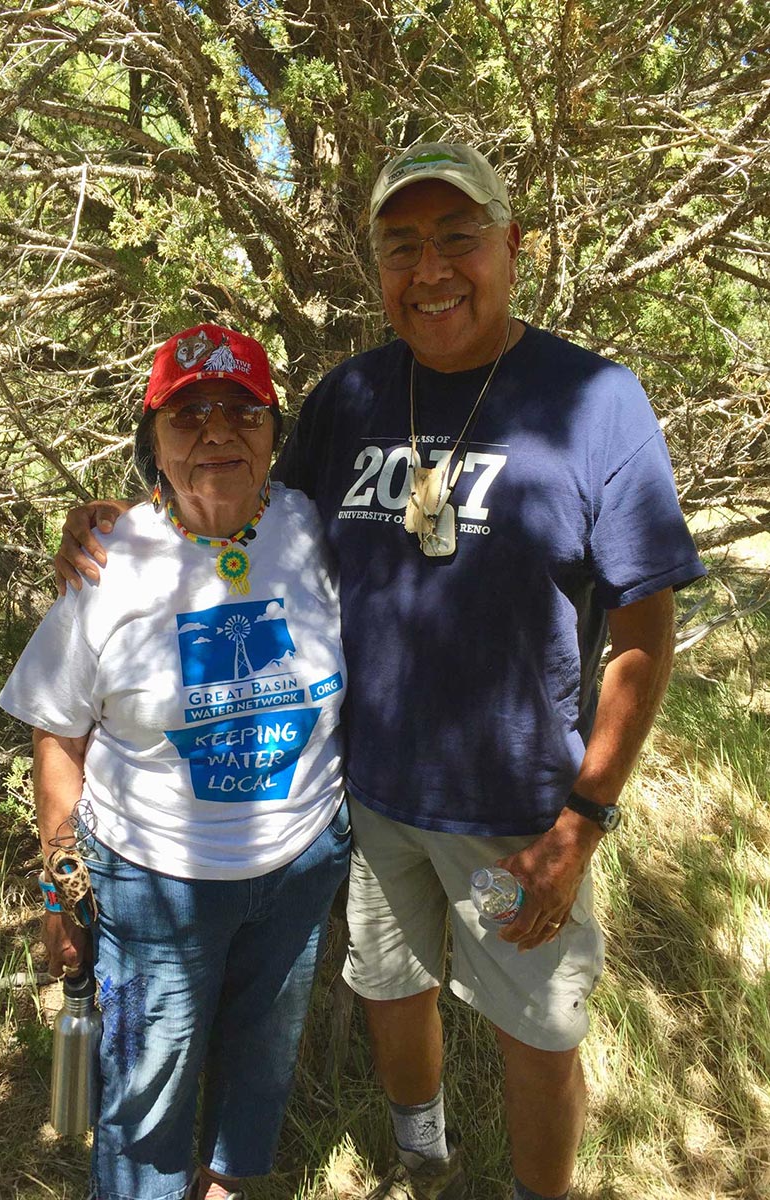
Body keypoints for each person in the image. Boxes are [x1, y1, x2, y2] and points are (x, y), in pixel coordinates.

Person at [55, 145, 706, 1200]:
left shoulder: (596, 402)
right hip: (366, 797)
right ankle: (424, 1159)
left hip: (523, 813)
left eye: (459, 238)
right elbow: (245, 516)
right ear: (377, 266)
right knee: (390, 989)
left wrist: (585, 818)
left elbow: (644, 629)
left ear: (513, 245)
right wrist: (120, 523)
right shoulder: (352, 395)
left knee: (538, 1028)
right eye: (404, 246)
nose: (433, 268)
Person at [0, 324, 351, 1200]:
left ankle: (225, 1185)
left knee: (262, 1056)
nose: (218, 432)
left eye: (243, 411)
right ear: (151, 437)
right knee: (145, 1095)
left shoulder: (314, 528)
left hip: (301, 865)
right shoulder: (106, 562)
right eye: (188, 415)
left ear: (275, 432)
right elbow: (56, 730)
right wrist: (59, 888)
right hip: (156, 886)